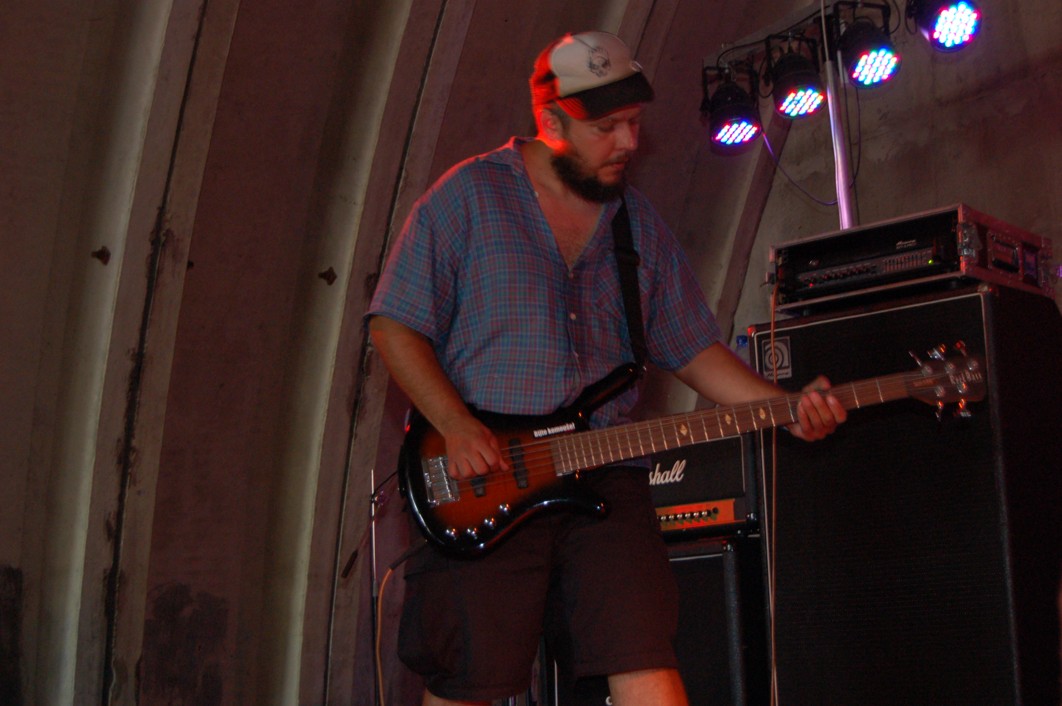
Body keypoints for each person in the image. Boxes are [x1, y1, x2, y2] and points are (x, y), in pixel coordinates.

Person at [367, 30, 847, 706]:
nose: (627, 141)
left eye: (633, 123)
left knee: (644, 654)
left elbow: (692, 349)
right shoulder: (467, 198)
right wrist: (455, 423)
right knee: (470, 679)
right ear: (550, 119)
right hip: (486, 475)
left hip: (606, 474)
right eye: (606, 127)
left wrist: (783, 409)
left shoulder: (638, 225)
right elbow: (393, 324)